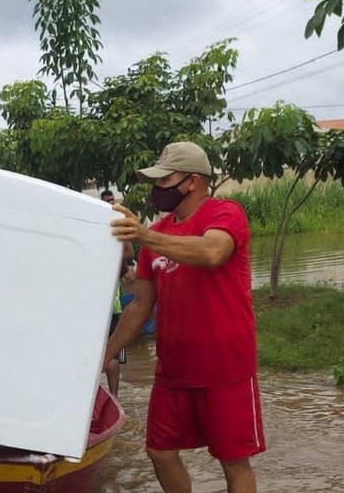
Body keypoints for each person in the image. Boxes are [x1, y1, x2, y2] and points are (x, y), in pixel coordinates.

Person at [105, 142, 265, 493]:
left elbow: (212, 252)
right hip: (174, 368)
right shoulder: (159, 234)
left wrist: (146, 235)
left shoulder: (225, 213)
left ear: (192, 181)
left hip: (225, 367)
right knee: (159, 452)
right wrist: (104, 356)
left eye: (165, 180)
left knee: (233, 460)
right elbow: (139, 306)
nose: (157, 188)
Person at [100, 189, 133, 398]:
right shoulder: (99, 224)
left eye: (112, 200)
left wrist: (114, 253)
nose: (110, 203)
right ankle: (113, 397)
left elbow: (129, 252)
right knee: (106, 353)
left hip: (113, 305)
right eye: (106, 201)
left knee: (113, 353)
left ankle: (115, 397)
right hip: (102, 304)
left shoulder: (121, 224)